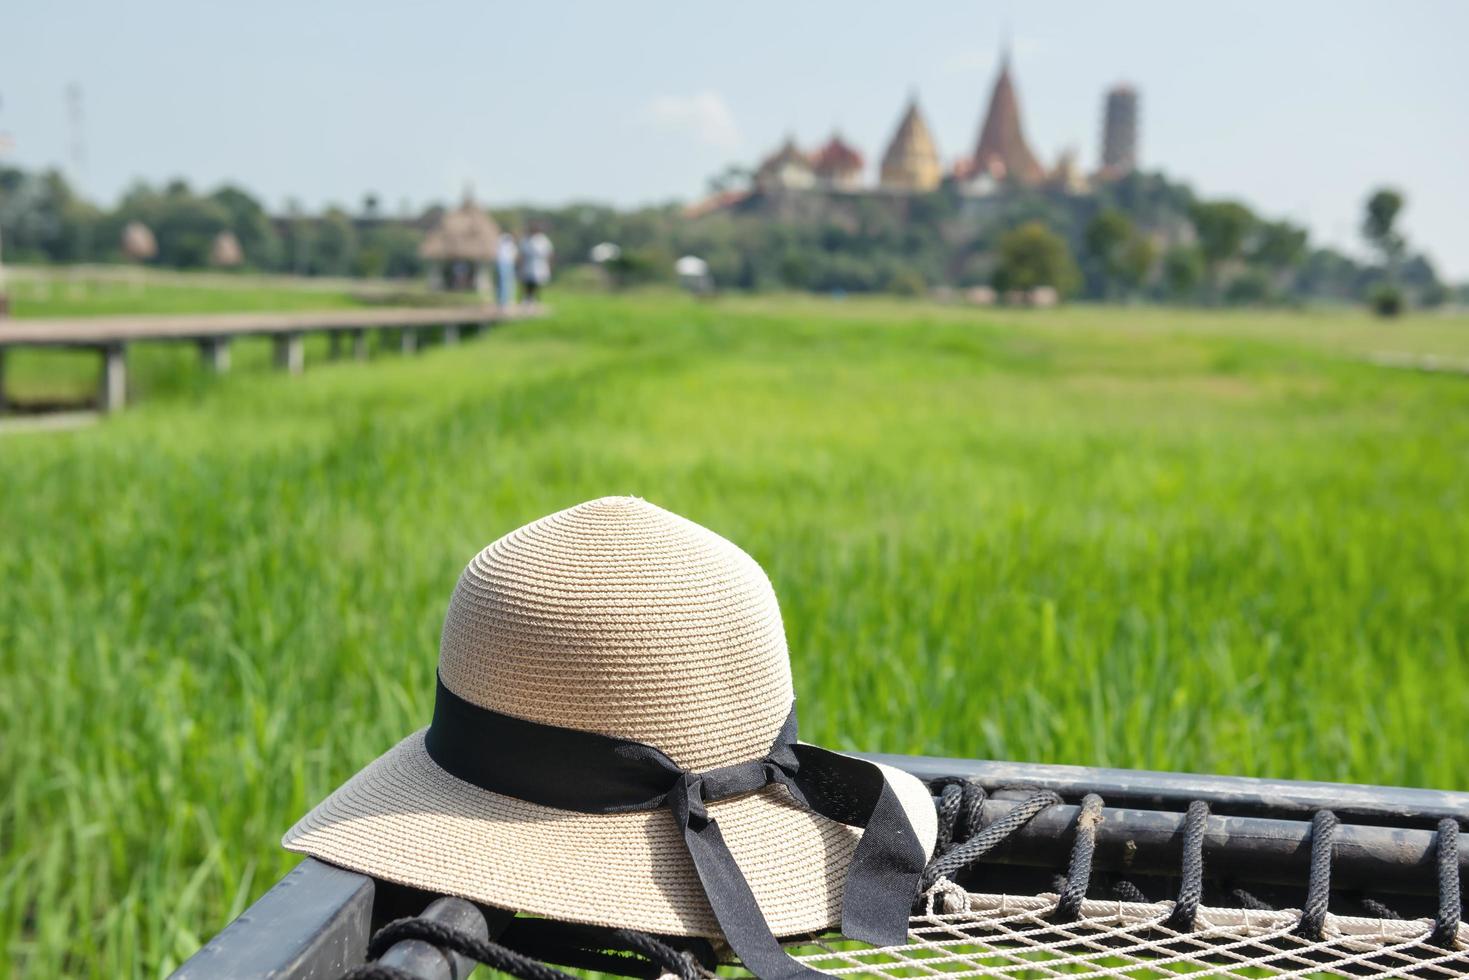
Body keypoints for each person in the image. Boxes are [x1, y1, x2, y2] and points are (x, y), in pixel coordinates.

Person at [519, 227, 554, 303]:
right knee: (527, 282)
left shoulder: (543, 240)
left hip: (540, 265)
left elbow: (549, 253)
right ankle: (527, 298)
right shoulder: (526, 240)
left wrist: (550, 265)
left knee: (538, 282)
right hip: (528, 265)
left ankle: (536, 299)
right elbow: (522, 254)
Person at [495, 232, 518, 308]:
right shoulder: (502, 241)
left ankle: (506, 300)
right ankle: (502, 301)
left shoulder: (510, 243)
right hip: (503, 263)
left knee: (508, 282)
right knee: (503, 283)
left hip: (508, 263)